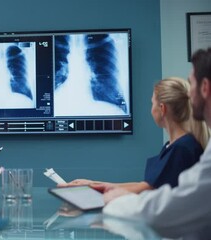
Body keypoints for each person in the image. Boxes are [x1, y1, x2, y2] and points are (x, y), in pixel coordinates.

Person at [101, 48, 211, 239]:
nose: (189, 93)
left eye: (191, 83)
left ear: (204, 88)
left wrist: (116, 199)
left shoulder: (184, 148)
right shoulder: (176, 145)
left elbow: (162, 209)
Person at [60, 77, 209, 193]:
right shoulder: (175, 146)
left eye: (152, 103)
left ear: (162, 109)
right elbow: (147, 185)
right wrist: (95, 184)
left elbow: (147, 191)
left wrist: (96, 188)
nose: (151, 109)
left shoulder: (181, 149)